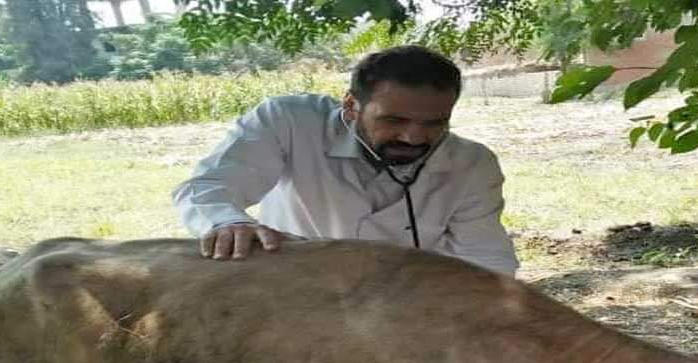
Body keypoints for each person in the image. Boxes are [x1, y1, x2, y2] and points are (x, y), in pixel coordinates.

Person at [173, 45, 519, 276]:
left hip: (407, 299)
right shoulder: (288, 121)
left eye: (434, 123)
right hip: (293, 289)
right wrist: (227, 222)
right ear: (351, 106)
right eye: (394, 120)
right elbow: (207, 187)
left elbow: (486, 258)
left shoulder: (472, 164)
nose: (413, 138)